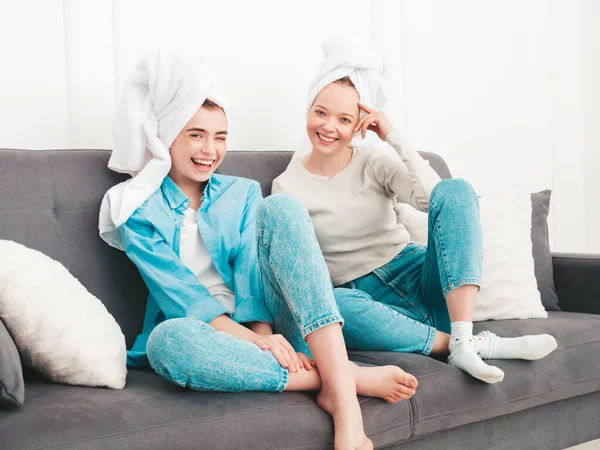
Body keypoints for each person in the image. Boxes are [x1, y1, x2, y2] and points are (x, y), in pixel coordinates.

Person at [99, 52, 418, 450]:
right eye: (195, 134)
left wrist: (265, 334)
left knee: (281, 208)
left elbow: (253, 276)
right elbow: (181, 296)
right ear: (167, 137)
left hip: (276, 327)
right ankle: (340, 378)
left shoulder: (244, 191)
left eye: (220, 136)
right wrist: (254, 344)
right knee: (167, 342)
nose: (209, 150)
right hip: (206, 333)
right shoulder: (136, 211)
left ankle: (346, 407)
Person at [273, 40, 558, 385]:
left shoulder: (373, 161)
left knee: (457, 188)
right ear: (308, 111)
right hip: (364, 303)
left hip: (418, 275)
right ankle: (465, 345)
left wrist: (393, 137)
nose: (329, 126)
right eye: (320, 112)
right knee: (332, 308)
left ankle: (462, 334)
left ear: (360, 123)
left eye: (344, 118)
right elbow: (302, 273)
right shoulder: (287, 188)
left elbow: (436, 198)